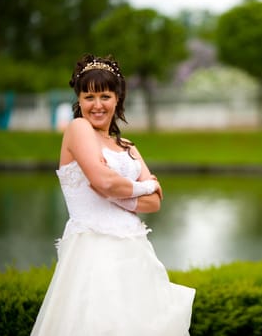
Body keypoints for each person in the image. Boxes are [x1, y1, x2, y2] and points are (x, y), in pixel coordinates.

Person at [31, 54, 195, 336]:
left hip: (134, 252)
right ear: (79, 100)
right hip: (94, 249)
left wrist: (115, 190)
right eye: (88, 97)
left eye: (104, 96)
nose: (97, 105)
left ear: (117, 98)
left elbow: (154, 204)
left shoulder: (127, 145)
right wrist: (145, 186)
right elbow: (103, 182)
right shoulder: (78, 128)